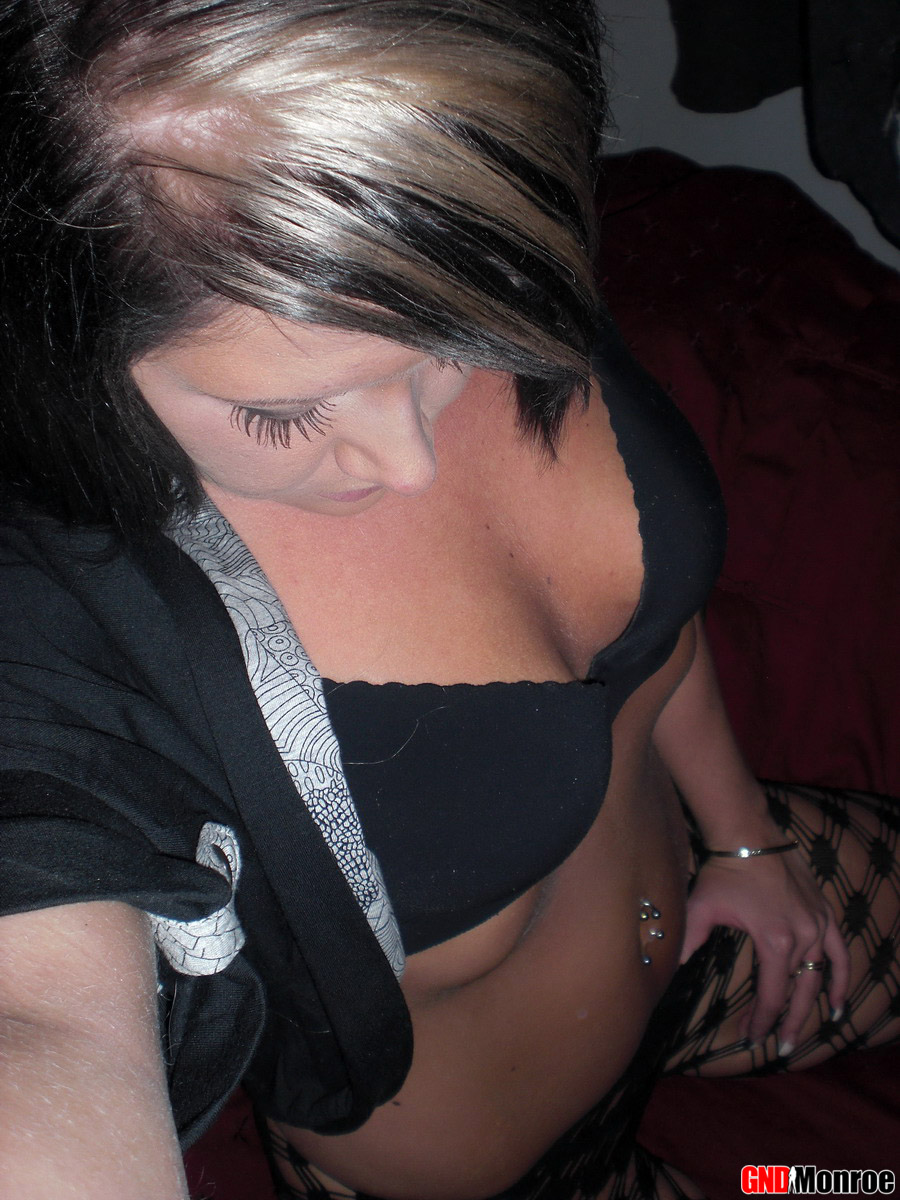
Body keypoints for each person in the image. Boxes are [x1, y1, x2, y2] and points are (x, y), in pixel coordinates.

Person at [0, 3, 897, 1198]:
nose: (410, 459)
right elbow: (40, 1014)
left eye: (449, 341)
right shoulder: (65, 621)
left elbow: (653, 638)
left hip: (704, 913)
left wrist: (745, 836)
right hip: (500, 1163)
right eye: (284, 414)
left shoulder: (441, 238)